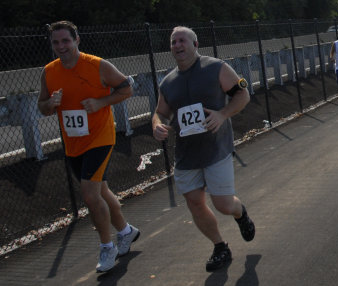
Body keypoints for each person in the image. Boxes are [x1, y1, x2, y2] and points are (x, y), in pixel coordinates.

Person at [37, 20, 140, 273]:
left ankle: (107, 247)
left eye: (66, 41)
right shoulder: (49, 72)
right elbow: (42, 107)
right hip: (73, 142)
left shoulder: (97, 65)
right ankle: (126, 231)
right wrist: (51, 103)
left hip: (100, 138)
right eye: (56, 42)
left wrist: (101, 101)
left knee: (90, 194)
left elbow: (126, 89)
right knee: (101, 191)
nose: (61, 46)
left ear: (77, 40)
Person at [152, 26, 255, 272]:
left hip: (216, 149)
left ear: (195, 44)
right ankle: (220, 246)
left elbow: (243, 94)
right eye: (173, 42)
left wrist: (222, 114)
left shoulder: (216, 68)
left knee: (223, 205)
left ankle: (240, 212)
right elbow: (160, 112)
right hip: (186, 155)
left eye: (182, 41)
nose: (177, 45)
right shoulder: (168, 82)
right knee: (195, 203)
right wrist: (157, 125)